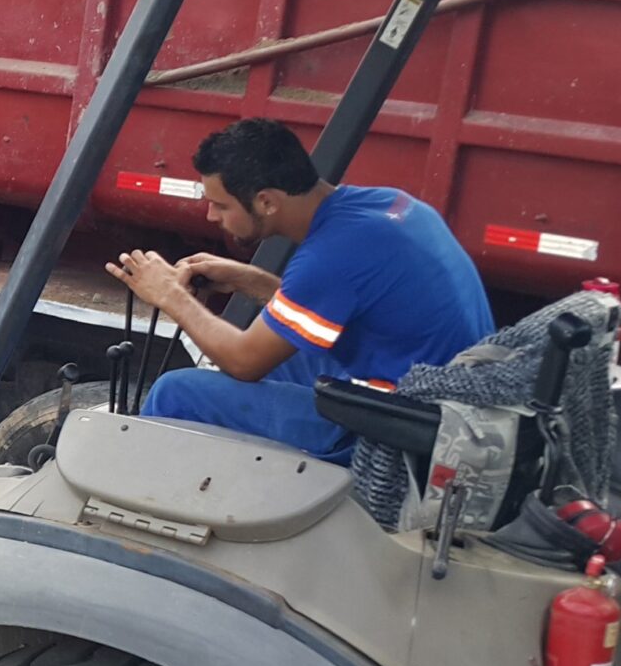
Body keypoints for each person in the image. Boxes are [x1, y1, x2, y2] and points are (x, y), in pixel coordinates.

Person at [109, 118, 495, 462]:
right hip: (446, 395)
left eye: (220, 205)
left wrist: (169, 295)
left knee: (176, 392)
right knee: (284, 350)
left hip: (396, 429)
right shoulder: (386, 206)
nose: (212, 216)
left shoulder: (330, 257)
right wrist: (251, 280)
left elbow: (245, 363)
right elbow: (342, 301)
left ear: (266, 202)